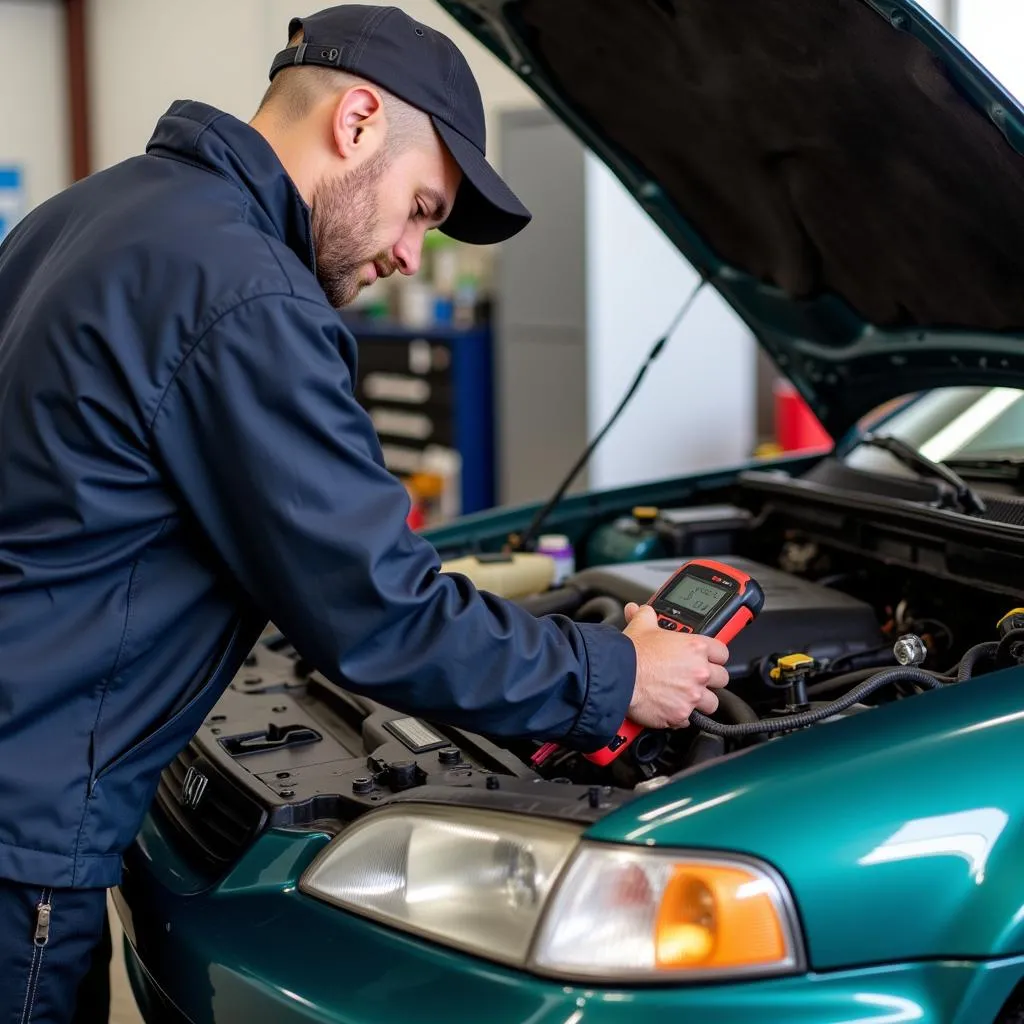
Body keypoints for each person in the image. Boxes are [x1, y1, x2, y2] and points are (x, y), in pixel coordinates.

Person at [0, 5, 731, 1020]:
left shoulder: (89, 215)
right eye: (422, 209)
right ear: (355, 122)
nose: (409, 256)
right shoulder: (246, 295)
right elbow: (378, 612)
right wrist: (615, 674)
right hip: (22, 831)